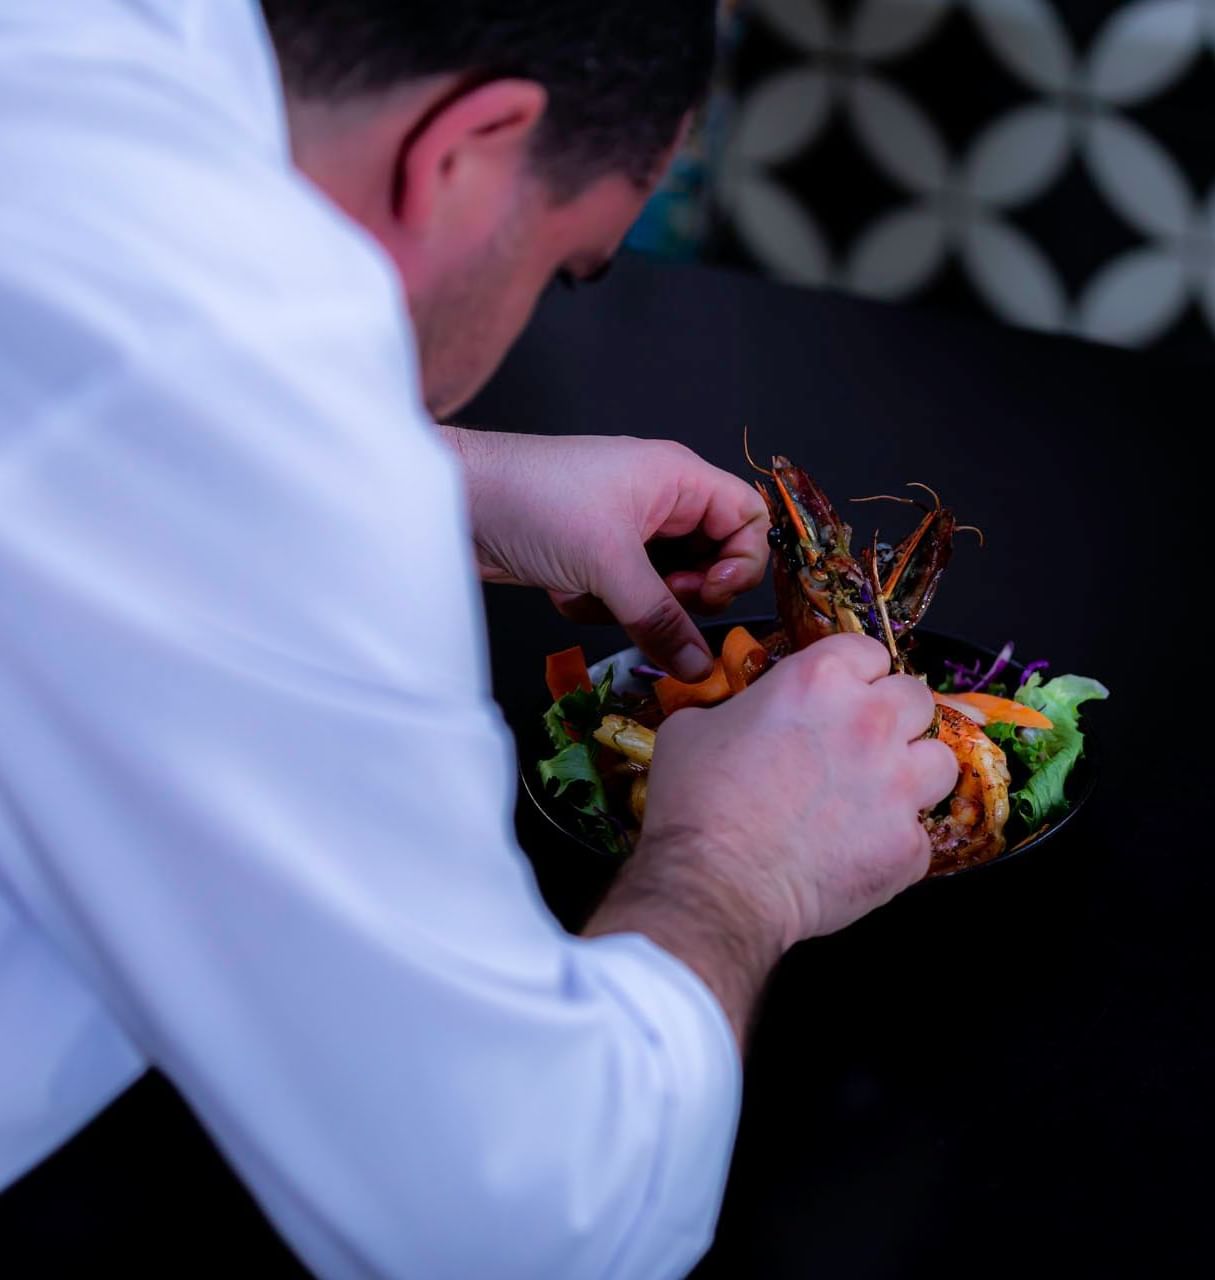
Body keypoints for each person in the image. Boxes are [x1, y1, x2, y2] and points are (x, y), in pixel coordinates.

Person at [0, 2, 958, 1276]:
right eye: (569, 266)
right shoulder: (224, 359)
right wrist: (739, 861)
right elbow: (522, 1217)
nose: (543, 310)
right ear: (467, 145)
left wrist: (440, 476)